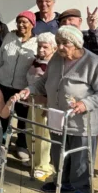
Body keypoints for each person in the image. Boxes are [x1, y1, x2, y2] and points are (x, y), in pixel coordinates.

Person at [16, 26, 98, 193]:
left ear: (76, 44)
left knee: (80, 160)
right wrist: (30, 89)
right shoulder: (57, 58)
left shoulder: (92, 63)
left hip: (81, 122)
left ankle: (83, 192)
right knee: (58, 153)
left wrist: (85, 103)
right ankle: (63, 182)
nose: (60, 47)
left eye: (65, 43)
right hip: (58, 117)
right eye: (58, 43)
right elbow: (44, 81)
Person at [0, 11, 37, 163]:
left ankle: (21, 145)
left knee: (22, 117)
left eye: (24, 22)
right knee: (3, 115)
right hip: (3, 83)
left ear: (32, 24)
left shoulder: (37, 42)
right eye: (19, 21)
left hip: (23, 88)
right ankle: (0, 143)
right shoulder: (9, 37)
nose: (21, 25)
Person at [25, 32, 57, 180]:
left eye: (45, 47)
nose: (41, 49)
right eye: (39, 46)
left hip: (44, 103)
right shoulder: (36, 60)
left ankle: (43, 166)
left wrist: (47, 102)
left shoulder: (54, 65)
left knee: (43, 136)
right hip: (32, 101)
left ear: (54, 48)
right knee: (31, 132)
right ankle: (34, 159)